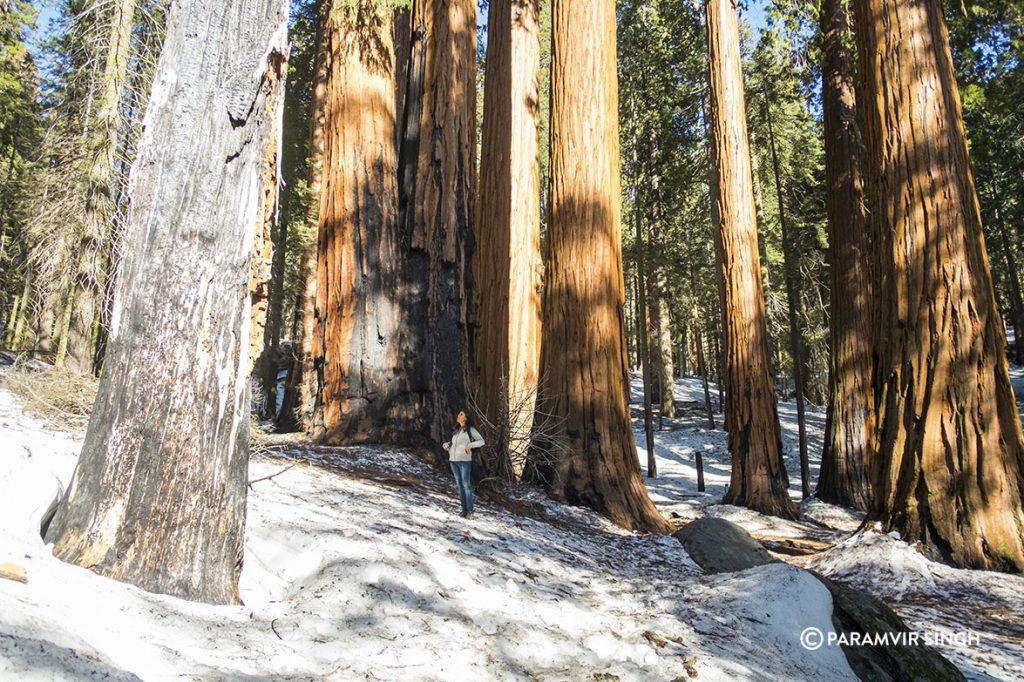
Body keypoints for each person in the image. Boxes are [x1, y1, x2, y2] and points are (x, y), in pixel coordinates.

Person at [442, 410, 485, 518]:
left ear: (466, 418)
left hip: (464, 461)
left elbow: (481, 441)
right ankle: (464, 510)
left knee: (466, 485)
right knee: (460, 486)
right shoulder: (456, 430)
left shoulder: (471, 430)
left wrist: (470, 445)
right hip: (453, 461)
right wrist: (447, 445)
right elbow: (453, 445)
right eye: (459, 413)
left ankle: (470, 511)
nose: (458, 415)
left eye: (461, 414)